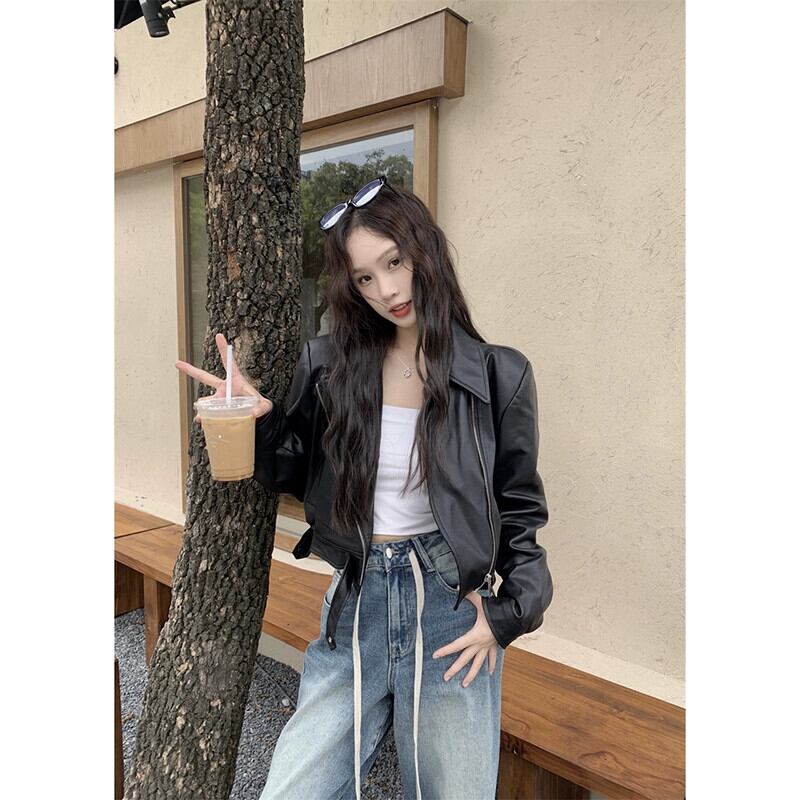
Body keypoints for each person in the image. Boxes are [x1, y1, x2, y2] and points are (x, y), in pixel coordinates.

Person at [175, 175, 553, 799]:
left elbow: (519, 507)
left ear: (425, 251)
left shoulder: (498, 375)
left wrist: (510, 614)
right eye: (365, 278)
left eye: (395, 262)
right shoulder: (330, 365)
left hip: (448, 609)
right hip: (356, 601)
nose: (387, 290)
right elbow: (297, 473)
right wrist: (259, 421)